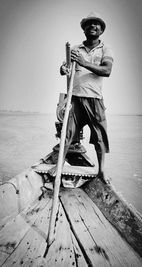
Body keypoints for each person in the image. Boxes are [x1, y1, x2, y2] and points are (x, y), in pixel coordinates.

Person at [59, 12, 114, 183]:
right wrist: (63, 69)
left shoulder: (105, 49)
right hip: (74, 98)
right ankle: (59, 167)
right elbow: (65, 67)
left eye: (96, 24)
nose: (92, 26)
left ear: (101, 30)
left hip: (94, 99)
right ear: (84, 29)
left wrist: (84, 62)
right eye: (89, 24)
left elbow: (107, 71)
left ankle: (102, 171)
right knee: (66, 134)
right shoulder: (75, 49)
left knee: (99, 138)